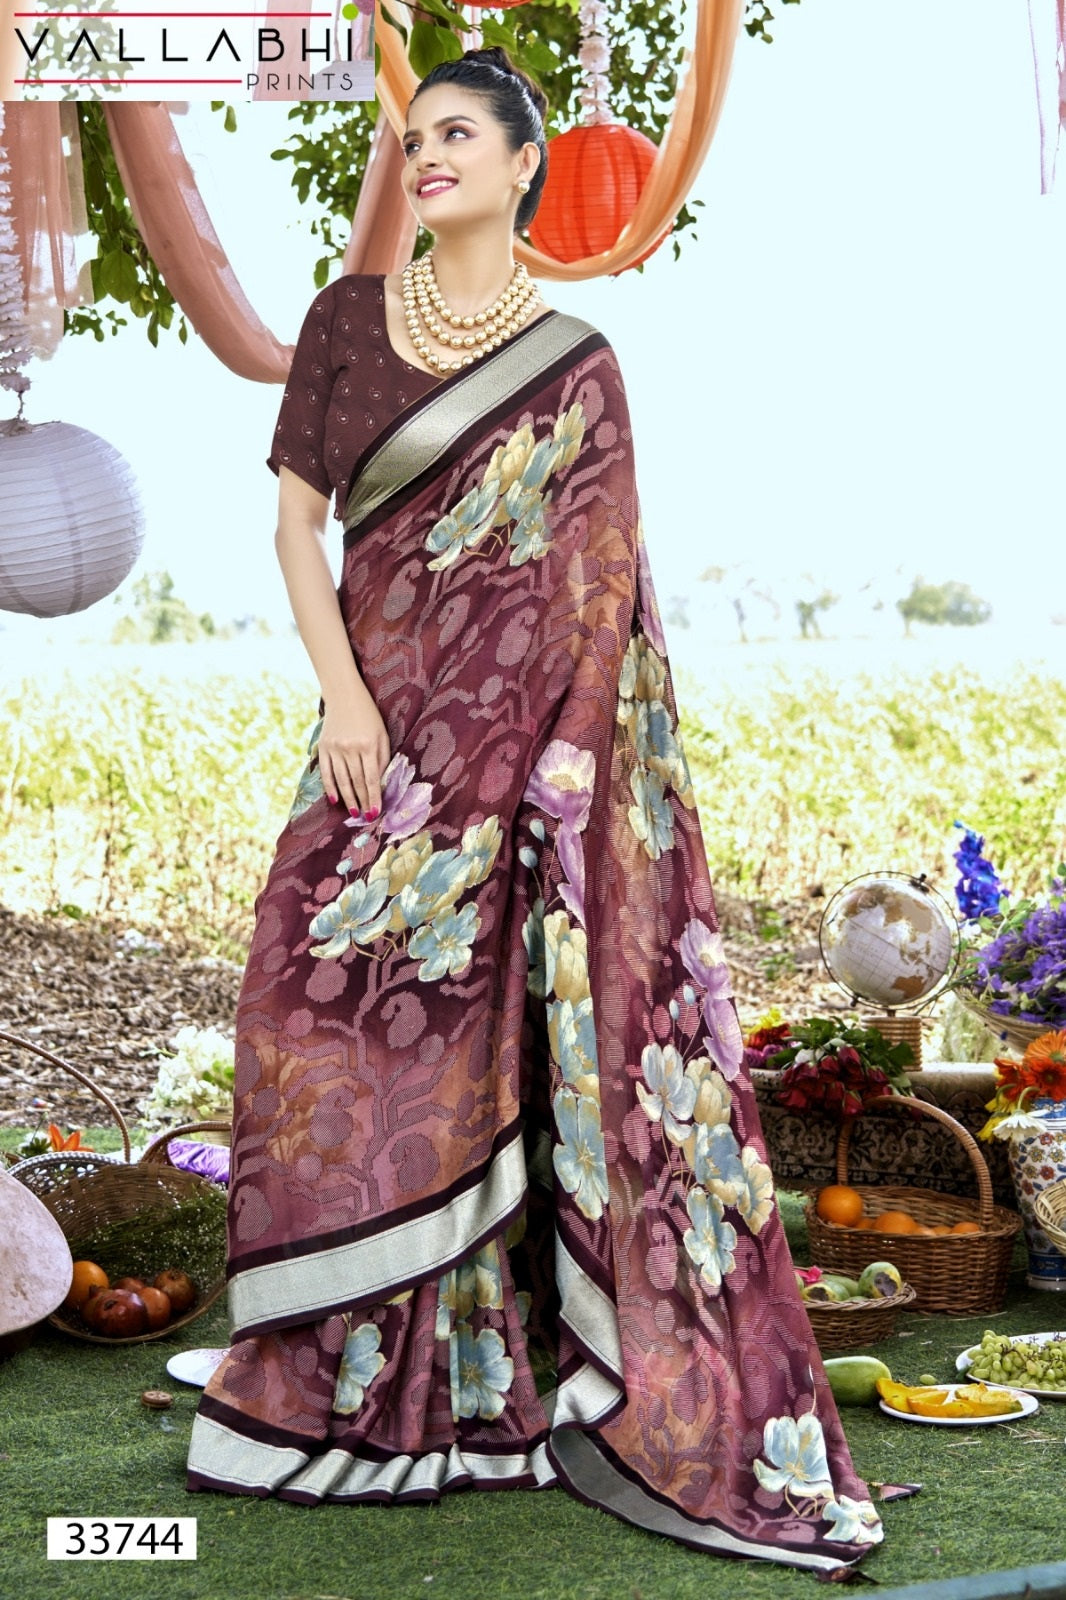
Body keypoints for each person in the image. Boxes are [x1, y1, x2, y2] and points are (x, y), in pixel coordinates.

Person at [185, 47, 904, 1572]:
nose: (428, 154)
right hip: (372, 748)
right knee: (299, 1009)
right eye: (414, 135)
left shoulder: (578, 363)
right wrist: (347, 704)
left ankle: (471, 1373)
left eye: (459, 134)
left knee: (478, 1042)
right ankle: (341, 1366)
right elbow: (296, 529)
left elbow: (593, 597)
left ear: (525, 167)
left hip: (520, 770)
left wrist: (548, 790)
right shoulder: (345, 322)